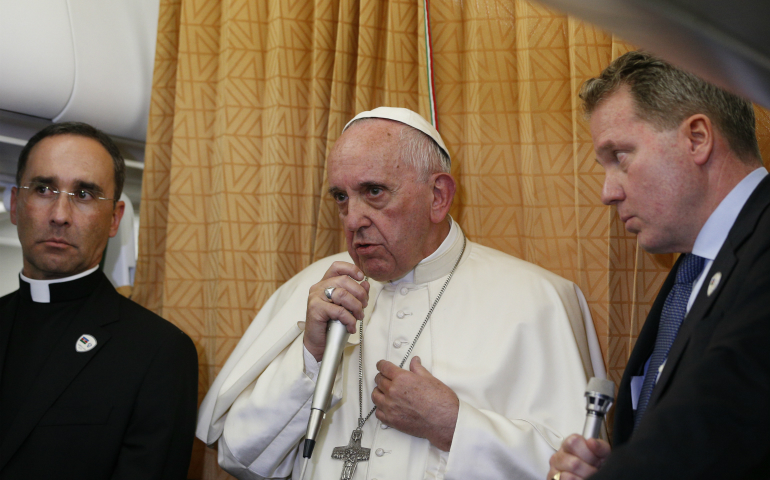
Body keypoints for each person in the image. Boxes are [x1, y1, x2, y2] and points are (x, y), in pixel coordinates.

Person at [197, 107, 605, 480]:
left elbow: (581, 470)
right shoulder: (313, 291)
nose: (353, 219)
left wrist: (455, 426)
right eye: (341, 197)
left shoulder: (537, 299)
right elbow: (241, 459)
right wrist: (310, 358)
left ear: (438, 196)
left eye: (374, 191)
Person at [547, 51, 770, 480]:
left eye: (620, 156)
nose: (607, 192)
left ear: (698, 138)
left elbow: (724, 417)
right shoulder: (695, 266)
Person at [0, 122, 198, 479]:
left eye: (84, 194)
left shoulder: (158, 352)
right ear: (16, 205)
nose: (59, 215)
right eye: (44, 188)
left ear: (114, 219)